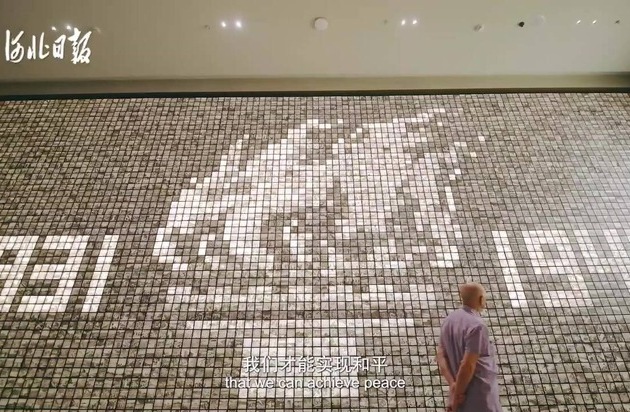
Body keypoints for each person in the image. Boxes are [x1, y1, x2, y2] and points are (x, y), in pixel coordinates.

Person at [436, 283, 502, 411]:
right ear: (481, 299)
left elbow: (440, 356)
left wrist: (453, 385)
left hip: (459, 397)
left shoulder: (449, 320)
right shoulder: (477, 326)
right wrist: (457, 395)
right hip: (480, 397)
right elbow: (468, 365)